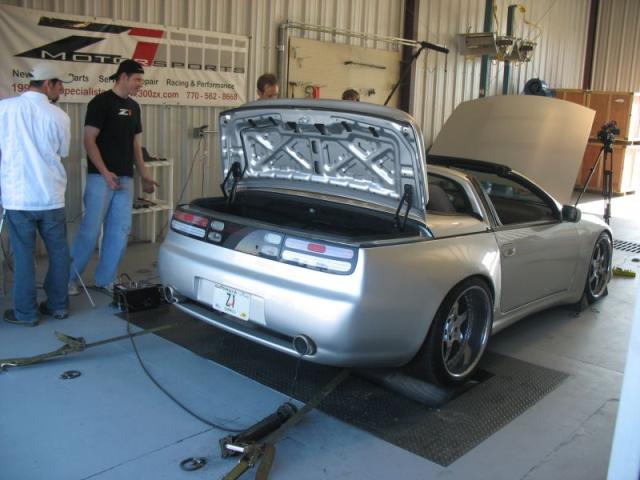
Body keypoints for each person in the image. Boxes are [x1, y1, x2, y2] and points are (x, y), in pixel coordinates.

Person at [68, 59, 158, 294]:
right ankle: (68, 279)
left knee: (119, 231)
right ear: (123, 77)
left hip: (125, 179)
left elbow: (135, 144)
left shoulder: (134, 107)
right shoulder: (100, 103)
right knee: (90, 231)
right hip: (101, 179)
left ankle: (106, 278)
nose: (140, 84)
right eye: (137, 79)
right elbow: (89, 140)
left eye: (141, 80)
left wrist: (144, 174)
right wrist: (105, 172)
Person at [0, 63, 71, 326]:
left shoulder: (4, 109)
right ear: (48, 84)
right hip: (51, 195)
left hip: (18, 196)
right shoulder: (59, 116)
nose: (61, 89)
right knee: (58, 252)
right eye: (59, 84)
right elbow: (63, 152)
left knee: (23, 256)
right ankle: (58, 305)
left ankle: (26, 313)